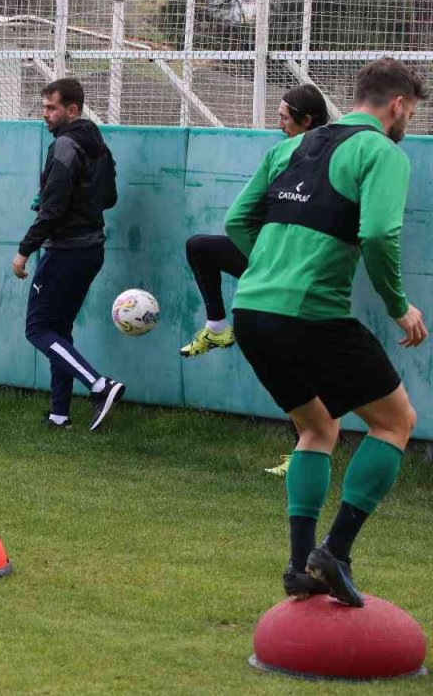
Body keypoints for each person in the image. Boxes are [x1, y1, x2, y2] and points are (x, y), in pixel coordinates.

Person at [225, 58, 427, 607]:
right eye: (413, 111)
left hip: (253, 311)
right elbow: (380, 235)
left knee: (317, 428)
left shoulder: (291, 147)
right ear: (398, 106)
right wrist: (398, 306)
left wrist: (269, 272)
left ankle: (299, 567)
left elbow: (237, 222)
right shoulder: (382, 152)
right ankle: (334, 552)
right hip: (311, 313)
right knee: (394, 422)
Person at [180, 84, 331, 358]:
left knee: (199, 247)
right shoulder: (345, 153)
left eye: (284, 118)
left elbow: (236, 220)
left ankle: (222, 322)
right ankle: (217, 327)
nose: (279, 125)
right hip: (319, 269)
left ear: (306, 121)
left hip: (286, 270)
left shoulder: (281, 154)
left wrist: (266, 264)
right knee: (200, 246)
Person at [13, 78, 123, 431]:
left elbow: (53, 210)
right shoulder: (97, 145)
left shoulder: (64, 146)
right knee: (59, 330)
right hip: (91, 250)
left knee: (37, 329)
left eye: (51, 108)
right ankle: (60, 414)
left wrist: (24, 250)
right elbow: (109, 198)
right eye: (44, 107)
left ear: (72, 110)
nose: (45, 114)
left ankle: (99, 385)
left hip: (66, 252)